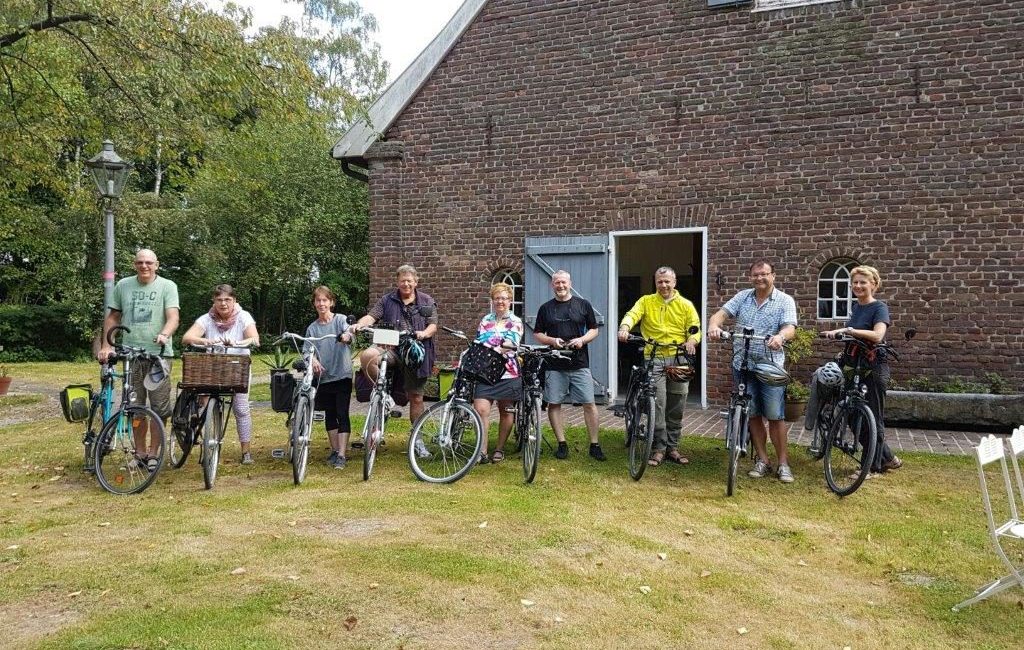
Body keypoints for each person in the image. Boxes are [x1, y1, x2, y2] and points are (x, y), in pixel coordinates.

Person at [708, 259, 798, 483]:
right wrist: (713, 326)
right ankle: (763, 460)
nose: (760, 278)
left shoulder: (785, 301)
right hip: (743, 363)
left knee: (775, 416)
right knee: (753, 414)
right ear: (751, 277)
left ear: (773, 276)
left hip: (770, 367)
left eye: (764, 274)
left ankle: (783, 463)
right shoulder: (742, 297)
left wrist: (780, 337)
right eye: (755, 275)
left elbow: (790, 328)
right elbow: (720, 314)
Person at [815, 265, 902, 477]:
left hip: (874, 367)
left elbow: (878, 335)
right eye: (855, 282)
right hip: (855, 365)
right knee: (852, 414)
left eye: (863, 282)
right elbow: (854, 335)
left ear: (874, 284)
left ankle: (871, 467)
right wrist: (837, 335)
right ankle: (888, 457)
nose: (858, 286)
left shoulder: (878, 307)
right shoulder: (856, 307)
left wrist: (847, 330)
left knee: (873, 416)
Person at [98, 248, 180, 471]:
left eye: (149, 263)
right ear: (135, 264)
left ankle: (154, 453)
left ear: (157, 265)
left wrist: (165, 333)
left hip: (158, 356)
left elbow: (173, 316)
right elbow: (114, 316)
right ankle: (140, 452)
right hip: (130, 355)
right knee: (134, 406)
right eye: (140, 262)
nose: (144, 266)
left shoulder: (167, 286)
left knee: (159, 407)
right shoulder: (123, 285)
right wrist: (106, 345)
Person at [617, 267, 701, 467]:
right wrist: (625, 327)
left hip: (679, 358)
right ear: (655, 283)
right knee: (658, 403)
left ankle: (673, 447)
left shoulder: (685, 305)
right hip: (654, 357)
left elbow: (696, 328)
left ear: (674, 282)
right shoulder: (646, 301)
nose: (663, 285)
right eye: (659, 282)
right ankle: (659, 448)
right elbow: (632, 314)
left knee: (677, 403)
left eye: (667, 281)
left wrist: (691, 341)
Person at [181, 284, 260, 464]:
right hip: (213, 368)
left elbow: (255, 339)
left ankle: (246, 451)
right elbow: (187, 337)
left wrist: (238, 343)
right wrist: (207, 340)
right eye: (219, 300)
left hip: (237, 367)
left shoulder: (243, 317)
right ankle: (203, 438)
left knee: (240, 408)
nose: (223, 304)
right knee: (203, 402)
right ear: (214, 301)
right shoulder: (207, 319)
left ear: (234, 301)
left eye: (227, 300)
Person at [351, 265, 437, 428]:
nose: (406, 284)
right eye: (402, 280)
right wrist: (359, 324)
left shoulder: (427, 301)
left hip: (415, 353)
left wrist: (424, 333)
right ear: (397, 282)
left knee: (416, 397)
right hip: (391, 349)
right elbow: (371, 316)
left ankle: (416, 439)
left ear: (416, 282)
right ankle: (383, 395)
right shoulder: (387, 300)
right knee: (367, 356)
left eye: (409, 281)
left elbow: (433, 325)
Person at [532, 270, 605, 461]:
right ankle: (562, 443)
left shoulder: (583, 305)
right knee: (554, 403)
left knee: (589, 403)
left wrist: (582, 340)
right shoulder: (545, 308)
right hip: (554, 364)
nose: (561, 286)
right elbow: (537, 334)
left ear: (570, 283)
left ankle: (594, 444)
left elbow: (594, 330)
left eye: (563, 282)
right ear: (552, 285)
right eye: (557, 283)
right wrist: (551, 340)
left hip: (580, 363)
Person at [301, 286, 354, 470]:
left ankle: (342, 454)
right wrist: (313, 359)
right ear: (314, 303)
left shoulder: (340, 320)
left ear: (331, 302)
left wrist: (346, 336)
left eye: (325, 300)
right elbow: (306, 350)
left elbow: (350, 334)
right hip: (323, 377)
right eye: (318, 300)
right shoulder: (312, 328)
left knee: (342, 412)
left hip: (342, 375)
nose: (321, 304)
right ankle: (334, 450)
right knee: (329, 414)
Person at [472, 283, 524, 464]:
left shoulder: (516, 321)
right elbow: (478, 341)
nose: (500, 301)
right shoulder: (486, 320)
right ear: (492, 300)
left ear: (510, 300)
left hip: (507, 372)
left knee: (506, 411)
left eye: (504, 298)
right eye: (497, 298)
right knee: (480, 409)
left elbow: (512, 343)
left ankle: (500, 448)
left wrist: (494, 348)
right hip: (485, 371)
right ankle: (482, 451)